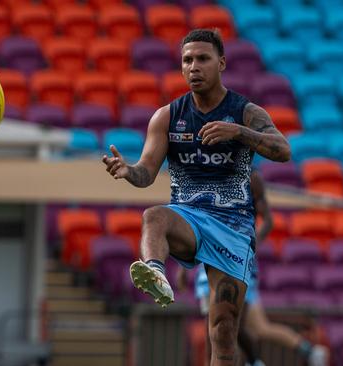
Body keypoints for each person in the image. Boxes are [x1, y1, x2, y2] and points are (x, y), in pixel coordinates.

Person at [102, 28, 291, 365]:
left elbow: (283, 150)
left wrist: (240, 133)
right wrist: (129, 171)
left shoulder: (245, 112)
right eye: (187, 60)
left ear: (221, 63)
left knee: (223, 333)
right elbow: (147, 170)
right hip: (188, 215)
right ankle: (155, 272)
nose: (194, 66)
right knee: (154, 216)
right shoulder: (167, 116)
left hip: (233, 227)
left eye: (202, 59)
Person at [180, 170, 329, 366]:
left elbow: (267, 220)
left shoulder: (250, 178)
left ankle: (258, 361)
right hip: (211, 262)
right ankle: (262, 360)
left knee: (229, 325)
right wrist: (184, 264)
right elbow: (195, 223)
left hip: (238, 262)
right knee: (232, 327)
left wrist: (247, 246)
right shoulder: (203, 175)